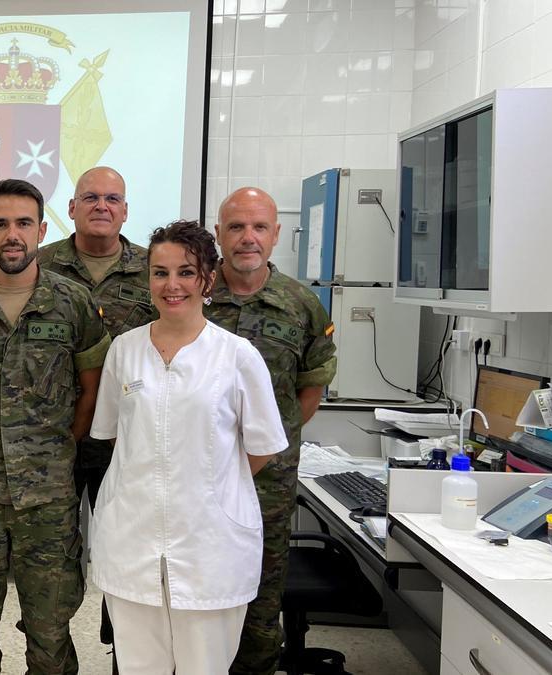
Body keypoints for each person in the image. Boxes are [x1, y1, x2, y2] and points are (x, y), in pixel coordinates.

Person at [0, 178, 111, 674]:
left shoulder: (72, 303)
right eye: (1, 223)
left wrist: (57, 445)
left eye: (23, 223)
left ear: (41, 229)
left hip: (47, 501)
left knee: (51, 634)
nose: (13, 234)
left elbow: (91, 389)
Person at [89, 221, 287, 673]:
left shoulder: (237, 356)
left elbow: (260, 448)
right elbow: (119, 436)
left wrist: (208, 486)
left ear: (208, 279)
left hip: (210, 546)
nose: (172, 284)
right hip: (131, 539)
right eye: (160, 273)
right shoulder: (124, 350)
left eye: (185, 272)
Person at [205, 187, 337, 675]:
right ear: (218, 234)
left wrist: (266, 448)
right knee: (197, 598)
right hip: (199, 480)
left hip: (269, 489)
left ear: (276, 234)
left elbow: (310, 389)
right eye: (236, 227)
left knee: (261, 606)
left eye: (259, 227)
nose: (247, 238)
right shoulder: (190, 294)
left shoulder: (302, 304)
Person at [37, 166, 154, 661]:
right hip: (57, 438)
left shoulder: (156, 269)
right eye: (90, 197)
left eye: (112, 198)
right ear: (72, 208)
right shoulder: (39, 265)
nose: (101, 206)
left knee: (128, 553)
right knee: (54, 557)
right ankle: (51, 655)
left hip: (130, 441)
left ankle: (123, 653)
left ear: (125, 210)